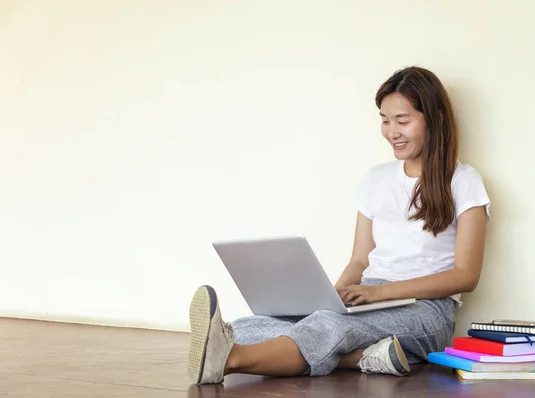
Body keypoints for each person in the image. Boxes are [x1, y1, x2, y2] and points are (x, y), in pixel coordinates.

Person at [187, 66, 491, 385]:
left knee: (329, 327)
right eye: (385, 121)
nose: (392, 132)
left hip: (427, 312)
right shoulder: (376, 179)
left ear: (436, 119)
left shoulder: (463, 182)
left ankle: (228, 360)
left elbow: (465, 276)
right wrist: (327, 299)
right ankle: (355, 357)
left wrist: (379, 293)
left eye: (403, 121)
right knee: (256, 324)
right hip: (368, 295)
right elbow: (360, 260)